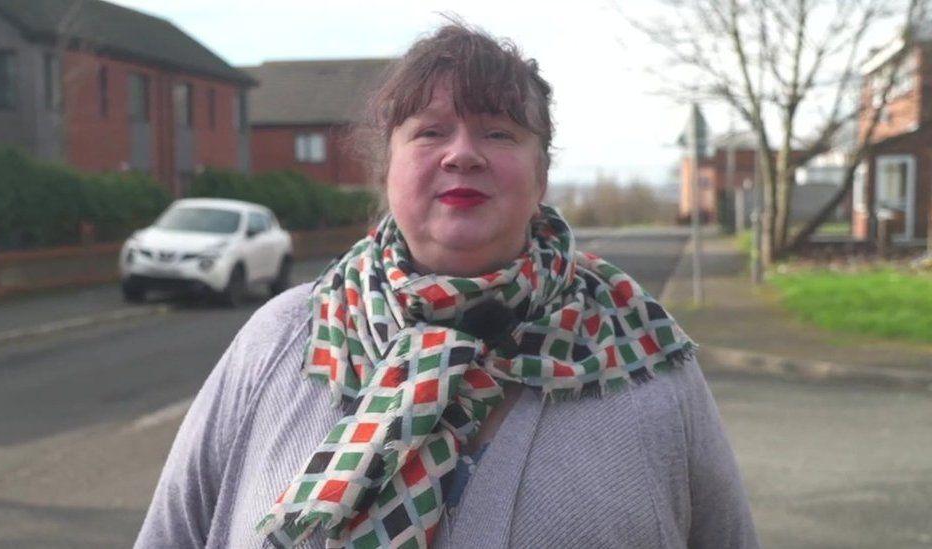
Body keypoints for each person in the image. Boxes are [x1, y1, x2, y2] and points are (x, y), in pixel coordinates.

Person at [136, 22, 759, 549]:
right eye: (430, 131)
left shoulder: (643, 358)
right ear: (388, 171)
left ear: (540, 177)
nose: (463, 154)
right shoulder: (279, 339)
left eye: (499, 132)